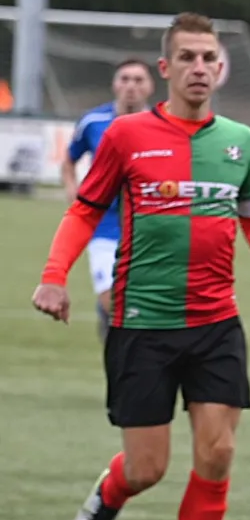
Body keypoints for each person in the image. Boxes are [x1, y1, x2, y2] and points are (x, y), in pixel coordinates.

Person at [30, 13, 250, 520]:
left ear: (220, 66)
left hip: (216, 322)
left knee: (218, 452)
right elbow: (82, 211)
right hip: (142, 322)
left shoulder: (239, 141)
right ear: (166, 68)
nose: (200, 67)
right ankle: (108, 496)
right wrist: (54, 276)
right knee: (148, 468)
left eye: (209, 57)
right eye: (187, 57)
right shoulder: (126, 136)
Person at [60, 58, 155, 340]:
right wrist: (72, 191)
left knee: (143, 299)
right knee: (111, 299)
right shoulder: (93, 122)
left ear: (150, 87)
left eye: (138, 80)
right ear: (114, 84)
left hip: (148, 225)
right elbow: (69, 160)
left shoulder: (163, 124)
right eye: (125, 79)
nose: (131, 87)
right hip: (104, 223)